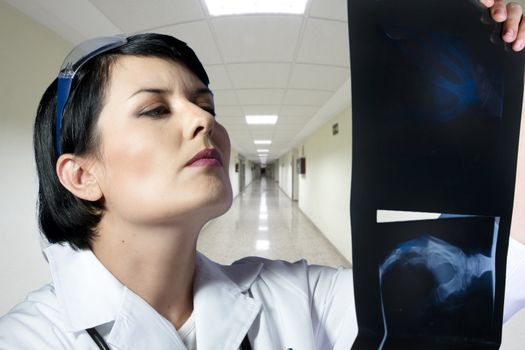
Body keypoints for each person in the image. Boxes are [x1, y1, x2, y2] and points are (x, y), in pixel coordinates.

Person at [0, 1, 524, 349]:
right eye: (156, 109)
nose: (204, 119)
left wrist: (505, 49)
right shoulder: (28, 339)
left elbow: (493, 271)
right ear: (80, 175)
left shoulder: (296, 297)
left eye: (204, 103)